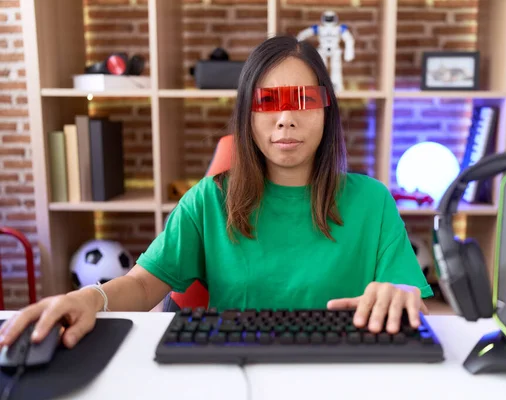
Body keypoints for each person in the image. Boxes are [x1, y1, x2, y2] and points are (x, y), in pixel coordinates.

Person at [0, 35, 432, 350]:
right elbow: (144, 282)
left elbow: (411, 305)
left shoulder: (373, 202)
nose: (285, 118)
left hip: (343, 375)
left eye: (303, 100)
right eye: (268, 101)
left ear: (327, 108)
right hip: (236, 373)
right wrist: (88, 297)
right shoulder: (209, 200)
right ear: (246, 114)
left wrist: (402, 297)